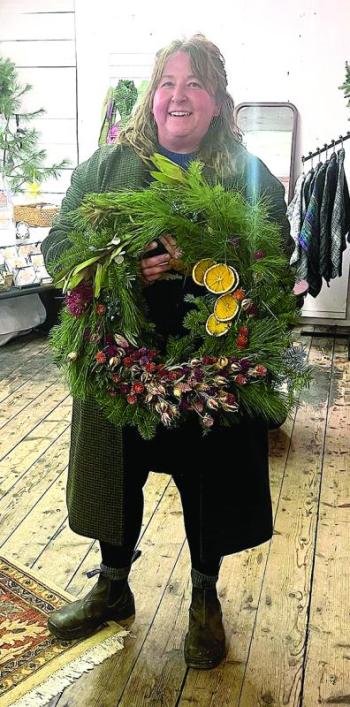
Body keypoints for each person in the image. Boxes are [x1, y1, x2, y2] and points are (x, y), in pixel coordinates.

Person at [42, 34, 293, 670]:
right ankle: (112, 583)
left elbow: (275, 261)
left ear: (216, 103)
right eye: (167, 84)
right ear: (152, 98)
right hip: (121, 358)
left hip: (212, 361)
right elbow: (61, 248)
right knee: (113, 471)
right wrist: (126, 268)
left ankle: (204, 596)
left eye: (194, 85)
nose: (178, 97)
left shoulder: (249, 176)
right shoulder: (106, 169)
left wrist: (215, 264)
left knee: (210, 477)